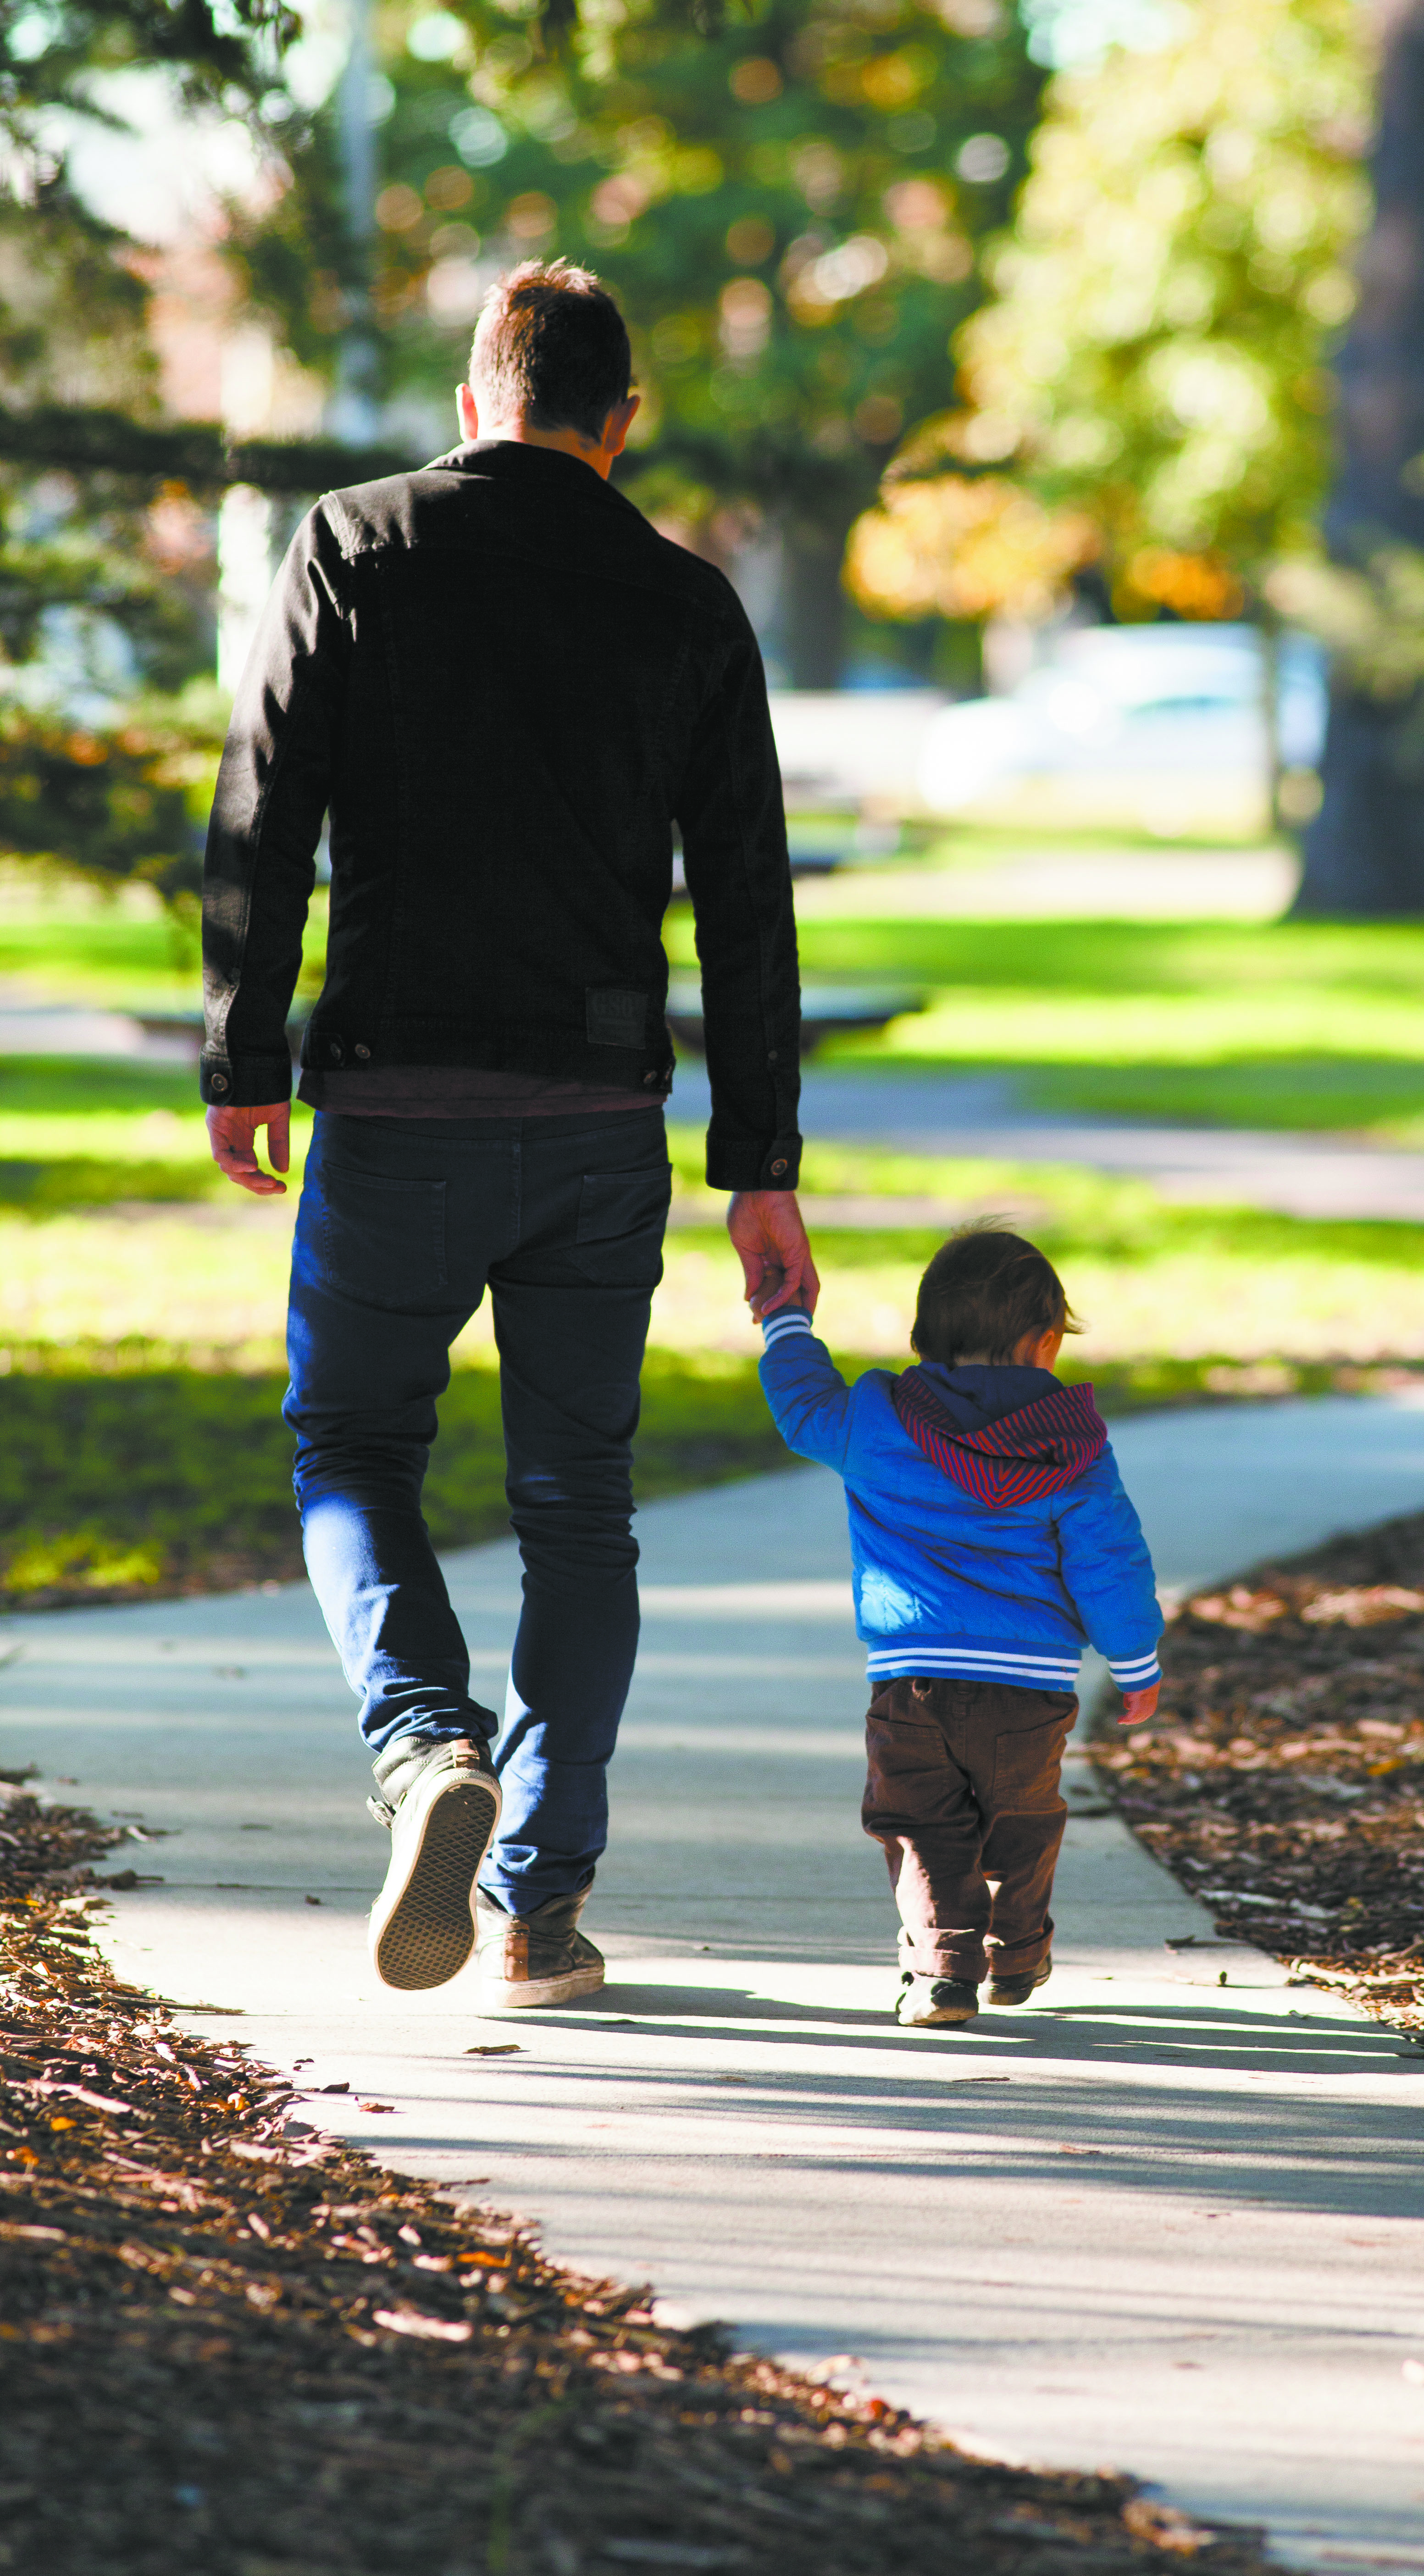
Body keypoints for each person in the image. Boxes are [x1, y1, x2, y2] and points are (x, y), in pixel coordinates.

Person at [200, 261, 817, 2010]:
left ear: (479, 395)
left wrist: (246, 1054)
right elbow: (748, 906)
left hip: (394, 1101)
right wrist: (759, 1163)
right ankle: (541, 1908)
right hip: (603, 1119)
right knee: (579, 1506)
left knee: (351, 1450)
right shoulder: (688, 603)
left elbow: (265, 813)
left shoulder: (351, 542)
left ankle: (423, 1750)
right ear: (620, 423)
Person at [755, 1225, 1161, 2027]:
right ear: (1046, 1344)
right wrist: (1135, 1661)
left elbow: (803, 1407)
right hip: (1029, 1688)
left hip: (913, 1679)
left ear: (922, 1340)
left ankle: (943, 1972)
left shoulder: (876, 1422)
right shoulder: (1071, 1446)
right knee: (1022, 1818)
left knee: (919, 1825)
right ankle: (1015, 1957)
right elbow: (1108, 1559)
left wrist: (787, 1321)